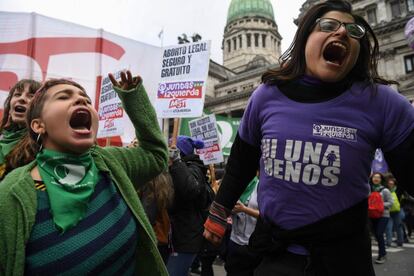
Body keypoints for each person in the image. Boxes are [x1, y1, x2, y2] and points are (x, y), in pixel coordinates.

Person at [203, 1, 414, 275]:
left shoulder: (382, 102)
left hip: (343, 260)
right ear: (304, 38)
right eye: (328, 26)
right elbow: (241, 164)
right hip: (274, 254)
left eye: (354, 30)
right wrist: (218, 214)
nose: (341, 33)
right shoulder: (266, 95)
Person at [0, 71, 169, 275]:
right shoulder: (11, 195)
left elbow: (155, 154)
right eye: (63, 97)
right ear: (38, 125)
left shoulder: (110, 162)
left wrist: (133, 99)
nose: (80, 99)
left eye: (86, 100)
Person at [167, 135, 213, 276]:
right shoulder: (173, 167)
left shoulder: (194, 168)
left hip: (185, 239)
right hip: (174, 237)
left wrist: (176, 162)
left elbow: (190, 189)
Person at [0, 79, 41, 179]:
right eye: (17, 94)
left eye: (31, 96)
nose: (22, 99)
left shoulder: (41, 145)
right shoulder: (2, 137)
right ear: (9, 108)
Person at [225, 176, 262, 276]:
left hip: (252, 244)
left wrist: (244, 209)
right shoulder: (237, 186)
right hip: (234, 241)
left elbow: (266, 216)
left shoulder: (260, 186)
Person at [138, 170, 174, 265]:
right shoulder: (165, 181)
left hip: (153, 239)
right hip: (163, 238)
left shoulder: (150, 185)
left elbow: (147, 217)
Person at [368, 172, 393, 264]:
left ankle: (382, 254)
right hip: (372, 215)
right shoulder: (368, 189)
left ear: (381, 179)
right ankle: (383, 252)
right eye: (374, 177)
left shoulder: (385, 190)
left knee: (379, 234)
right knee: (375, 235)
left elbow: (391, 202)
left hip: (383, 215)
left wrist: (380, 205)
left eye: (378, 177)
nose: (376, 179)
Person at [385, 176, 404, 248]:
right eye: (389, 182)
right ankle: (388, 243)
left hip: (397, 211)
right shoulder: (385, 190)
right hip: (388, 211)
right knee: (388, 227)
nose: (390, 183)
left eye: (392, 181)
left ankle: (400, 242)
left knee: (398, 227)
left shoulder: (399, 190)